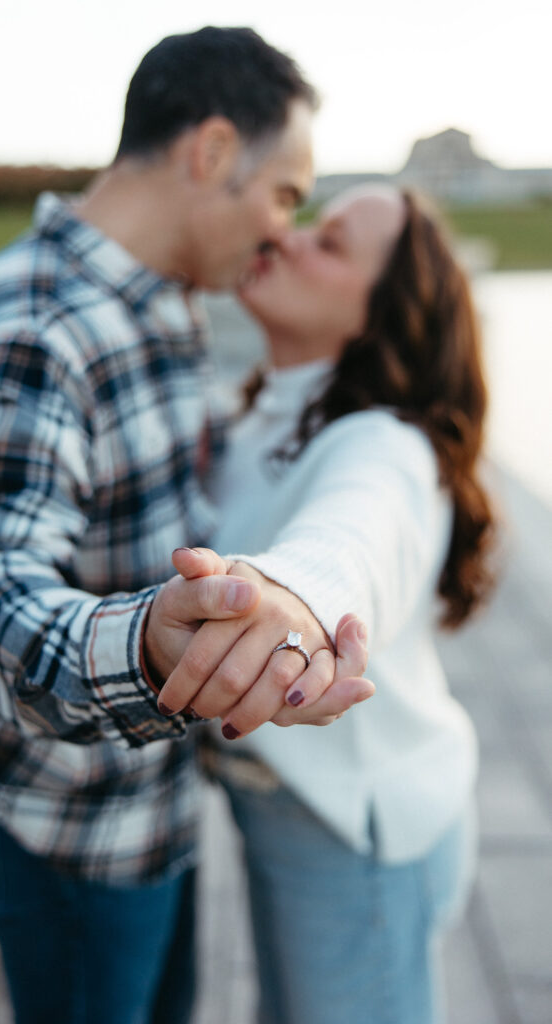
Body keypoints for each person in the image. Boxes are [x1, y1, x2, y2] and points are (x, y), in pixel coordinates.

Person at [0, 27, 371, 1024]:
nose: (281, 231)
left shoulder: (165, 294)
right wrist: (146, 644)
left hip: (151, 797)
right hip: (64, 826)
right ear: (211, 151)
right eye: (283, 193)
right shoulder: (36, 323)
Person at [162, 184, 497, 1023]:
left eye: (332, 243)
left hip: (356, 838)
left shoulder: (385, 443)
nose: (289, 236)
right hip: (288, 811)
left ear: (379, 317)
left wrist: (294, 599)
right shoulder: (256, 417)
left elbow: (355, 531)